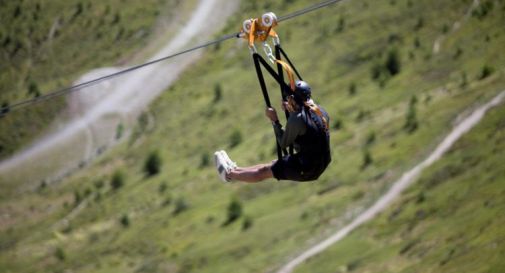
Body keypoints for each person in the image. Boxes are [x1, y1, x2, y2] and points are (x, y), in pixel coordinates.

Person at [214, 80, 331, 183]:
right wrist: (292, 110)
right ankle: (235, 170)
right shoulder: (320, 111)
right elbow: (308, 134)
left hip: (307, 169)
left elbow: (283, 143)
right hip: (318, 163)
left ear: (294, 100)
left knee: (263, 173)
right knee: (270, 166)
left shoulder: (298, 119)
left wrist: (274, 120)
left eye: (290, 99)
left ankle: (228, 174)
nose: (288, 101)